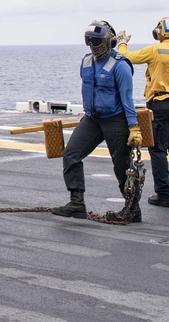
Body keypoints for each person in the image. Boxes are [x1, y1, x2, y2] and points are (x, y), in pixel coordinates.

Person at [51, 20, 143, 221]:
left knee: (122, 166)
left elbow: (128, 99)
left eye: (98, 43)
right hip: (92, 119)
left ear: (109, 42)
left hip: (116, 120)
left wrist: (134, 127)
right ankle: (77, 203)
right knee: (71, 155)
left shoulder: (120, 65)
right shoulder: (85, 62)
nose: (94, 47)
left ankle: (132, 209)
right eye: (90, 43)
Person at [117, 17, 169, 207]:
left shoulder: (154, 50)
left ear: (159, 33)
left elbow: (127, 58)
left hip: (160, 105)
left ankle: (164, 194)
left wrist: (121, 43)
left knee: (158, 151)